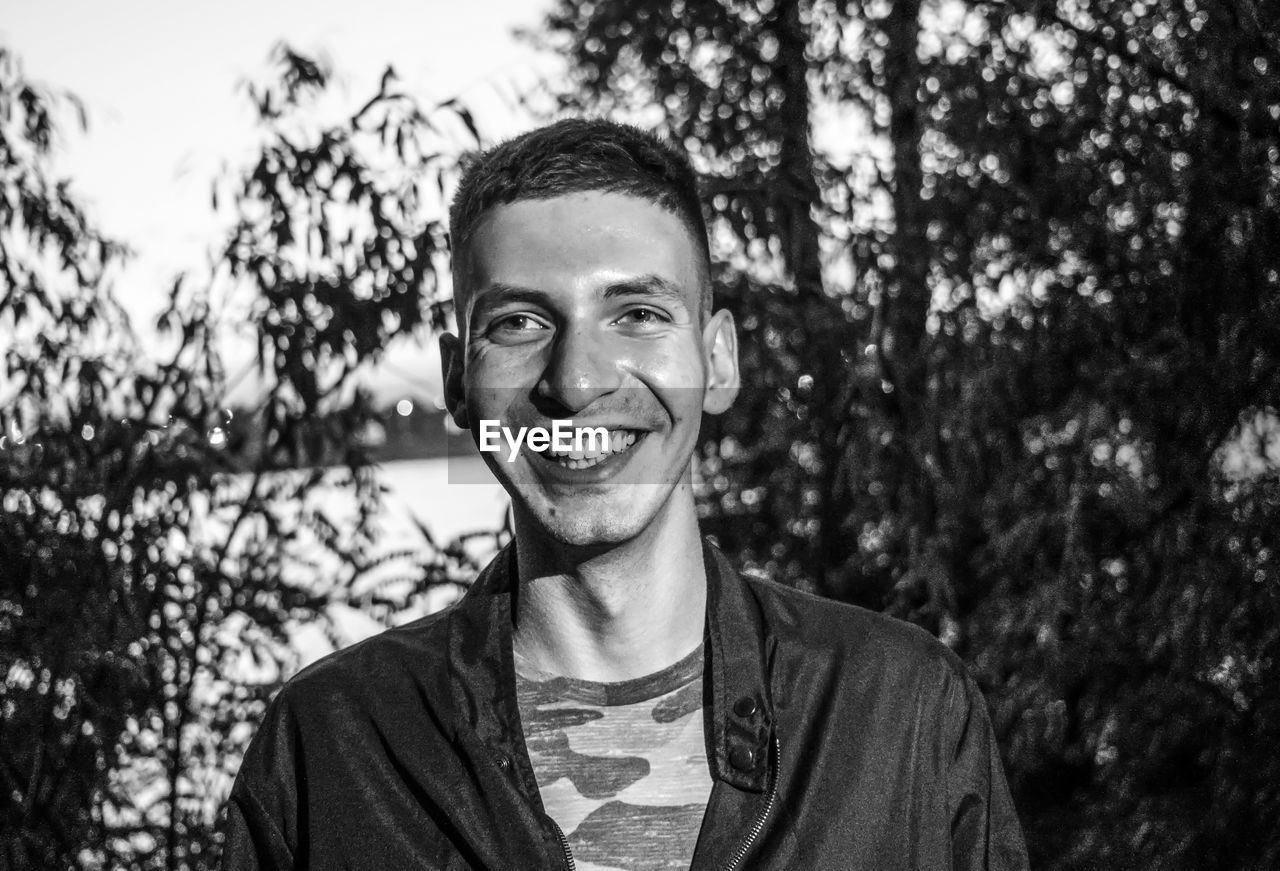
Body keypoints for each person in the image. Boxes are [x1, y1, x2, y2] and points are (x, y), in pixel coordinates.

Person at [222, 118, 1029, 870]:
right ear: (457, 381)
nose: (577, 380)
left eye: (638, 312)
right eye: (518, 324)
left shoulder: (903, 713)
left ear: (717, 361)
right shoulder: (330, 751)